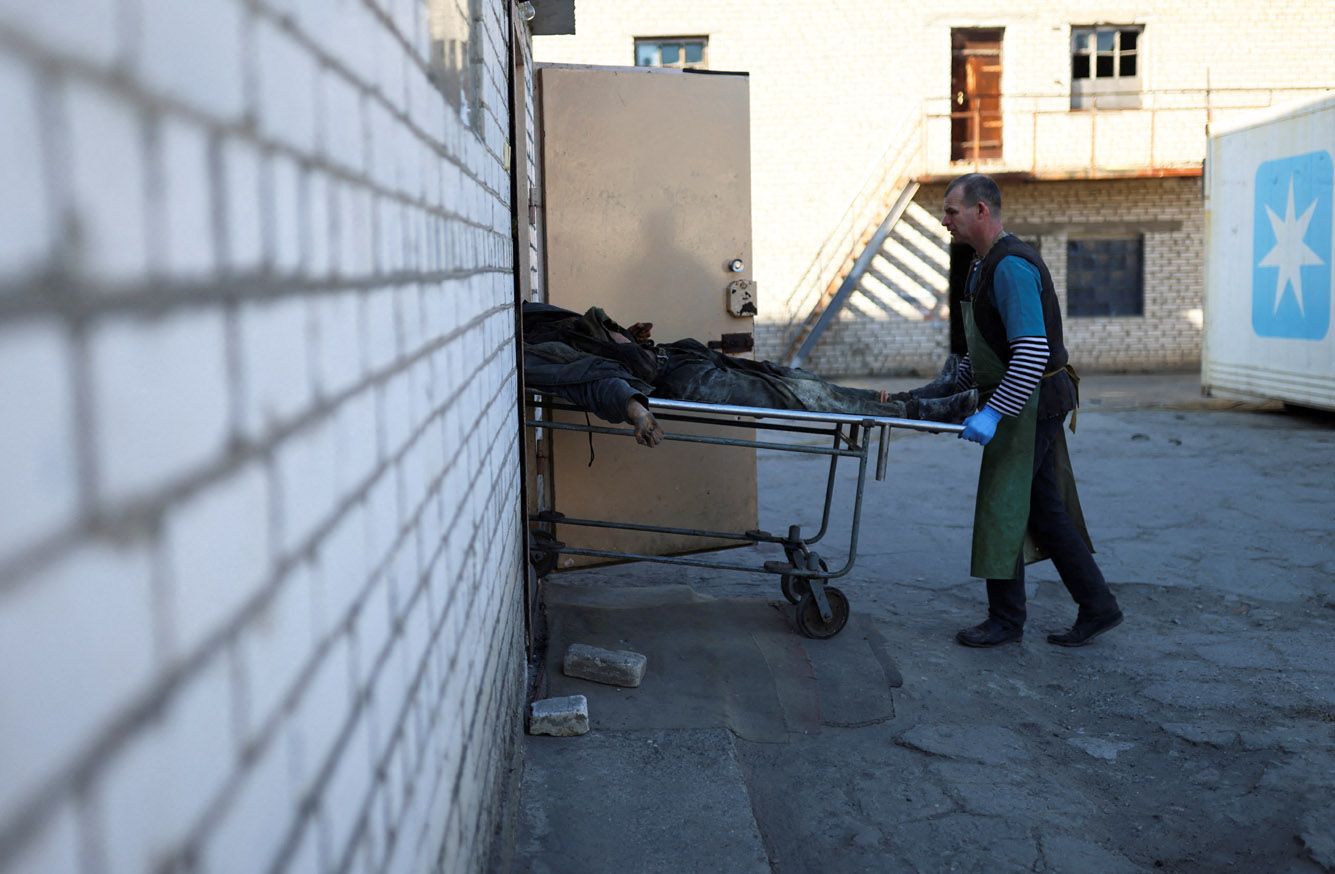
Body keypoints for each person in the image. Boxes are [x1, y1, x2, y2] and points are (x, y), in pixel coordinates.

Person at [939, 173, 1123, 648]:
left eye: (952, 211)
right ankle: (1098, 605)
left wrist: (993, 414)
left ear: (981, 210)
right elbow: (985, 344)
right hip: (1026, 398)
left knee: (1003, 503)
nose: (945, 221)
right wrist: (947, 391)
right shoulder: (981, 264)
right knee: (1044, 509)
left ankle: (1005, 620)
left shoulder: (1011, 267)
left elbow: (1031, 353)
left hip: (1031, 402)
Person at [521, 302, 978, 446]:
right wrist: (637, 413)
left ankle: (916, 397)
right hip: (684, 382)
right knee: (801, 399)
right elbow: (596, 383)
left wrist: (627, 337)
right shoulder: (532, 352)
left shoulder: (538, 317)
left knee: (802, 383)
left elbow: (598, 334)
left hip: (680, 357)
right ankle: (925, 413)